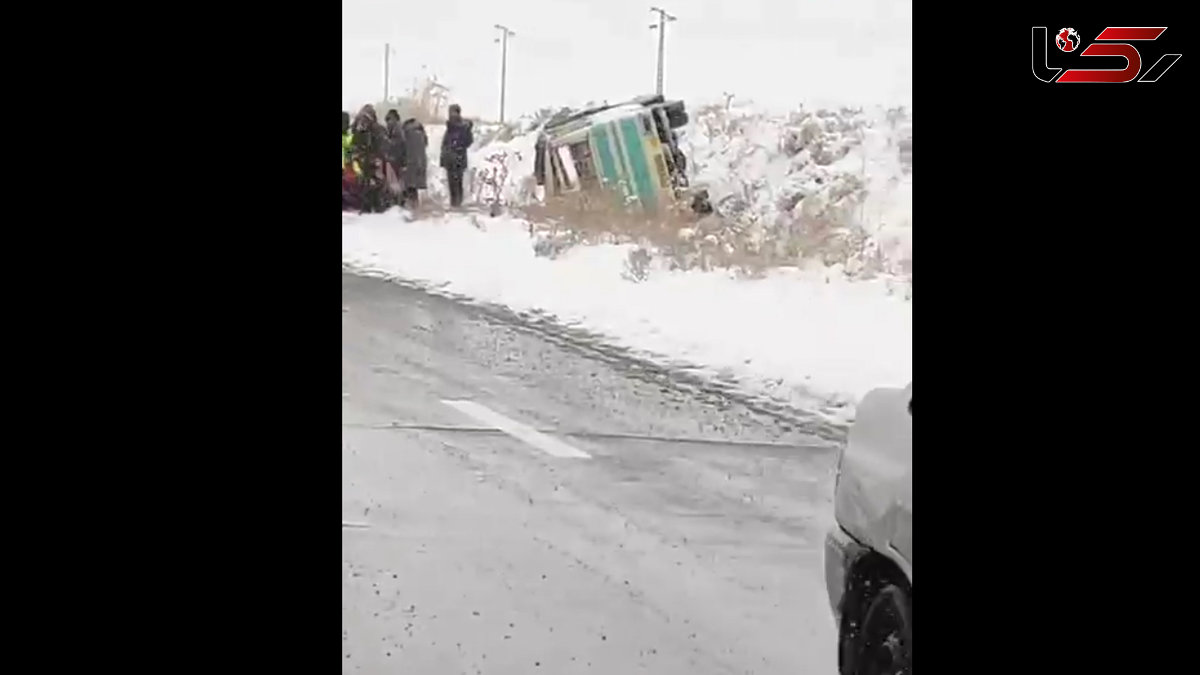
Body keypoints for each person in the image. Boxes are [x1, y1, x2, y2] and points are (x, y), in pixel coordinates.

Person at [350, 105, 391, 213]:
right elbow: (384, 146)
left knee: (366, 182)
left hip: (363, 159)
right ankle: (377, 207)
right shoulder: (378, 128)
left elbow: (354, 144)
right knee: (376, 183)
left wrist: (357, 156)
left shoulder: (358, 127)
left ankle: (367, 207)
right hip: (374, 159)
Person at [440, 104, 474, 208]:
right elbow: (445, 144)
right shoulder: (450, 127)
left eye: (453, 112)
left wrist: (458, 146)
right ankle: (454, 203)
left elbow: (469, 141)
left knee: (457, 181)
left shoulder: (463, 127)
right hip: (451, 158)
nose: (451, 115)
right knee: (452, 182)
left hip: (458, 157)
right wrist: (443, 158)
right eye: (450, 112)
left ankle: (457, 203)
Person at [397, 117, 428, 209]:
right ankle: (415, 206)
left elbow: (403, 147)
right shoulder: (421, 132)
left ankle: (411, 208)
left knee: (409, 186)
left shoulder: (407, 133)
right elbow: (425, 144)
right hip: (420, 162)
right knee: (414, 187)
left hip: (410, 162)